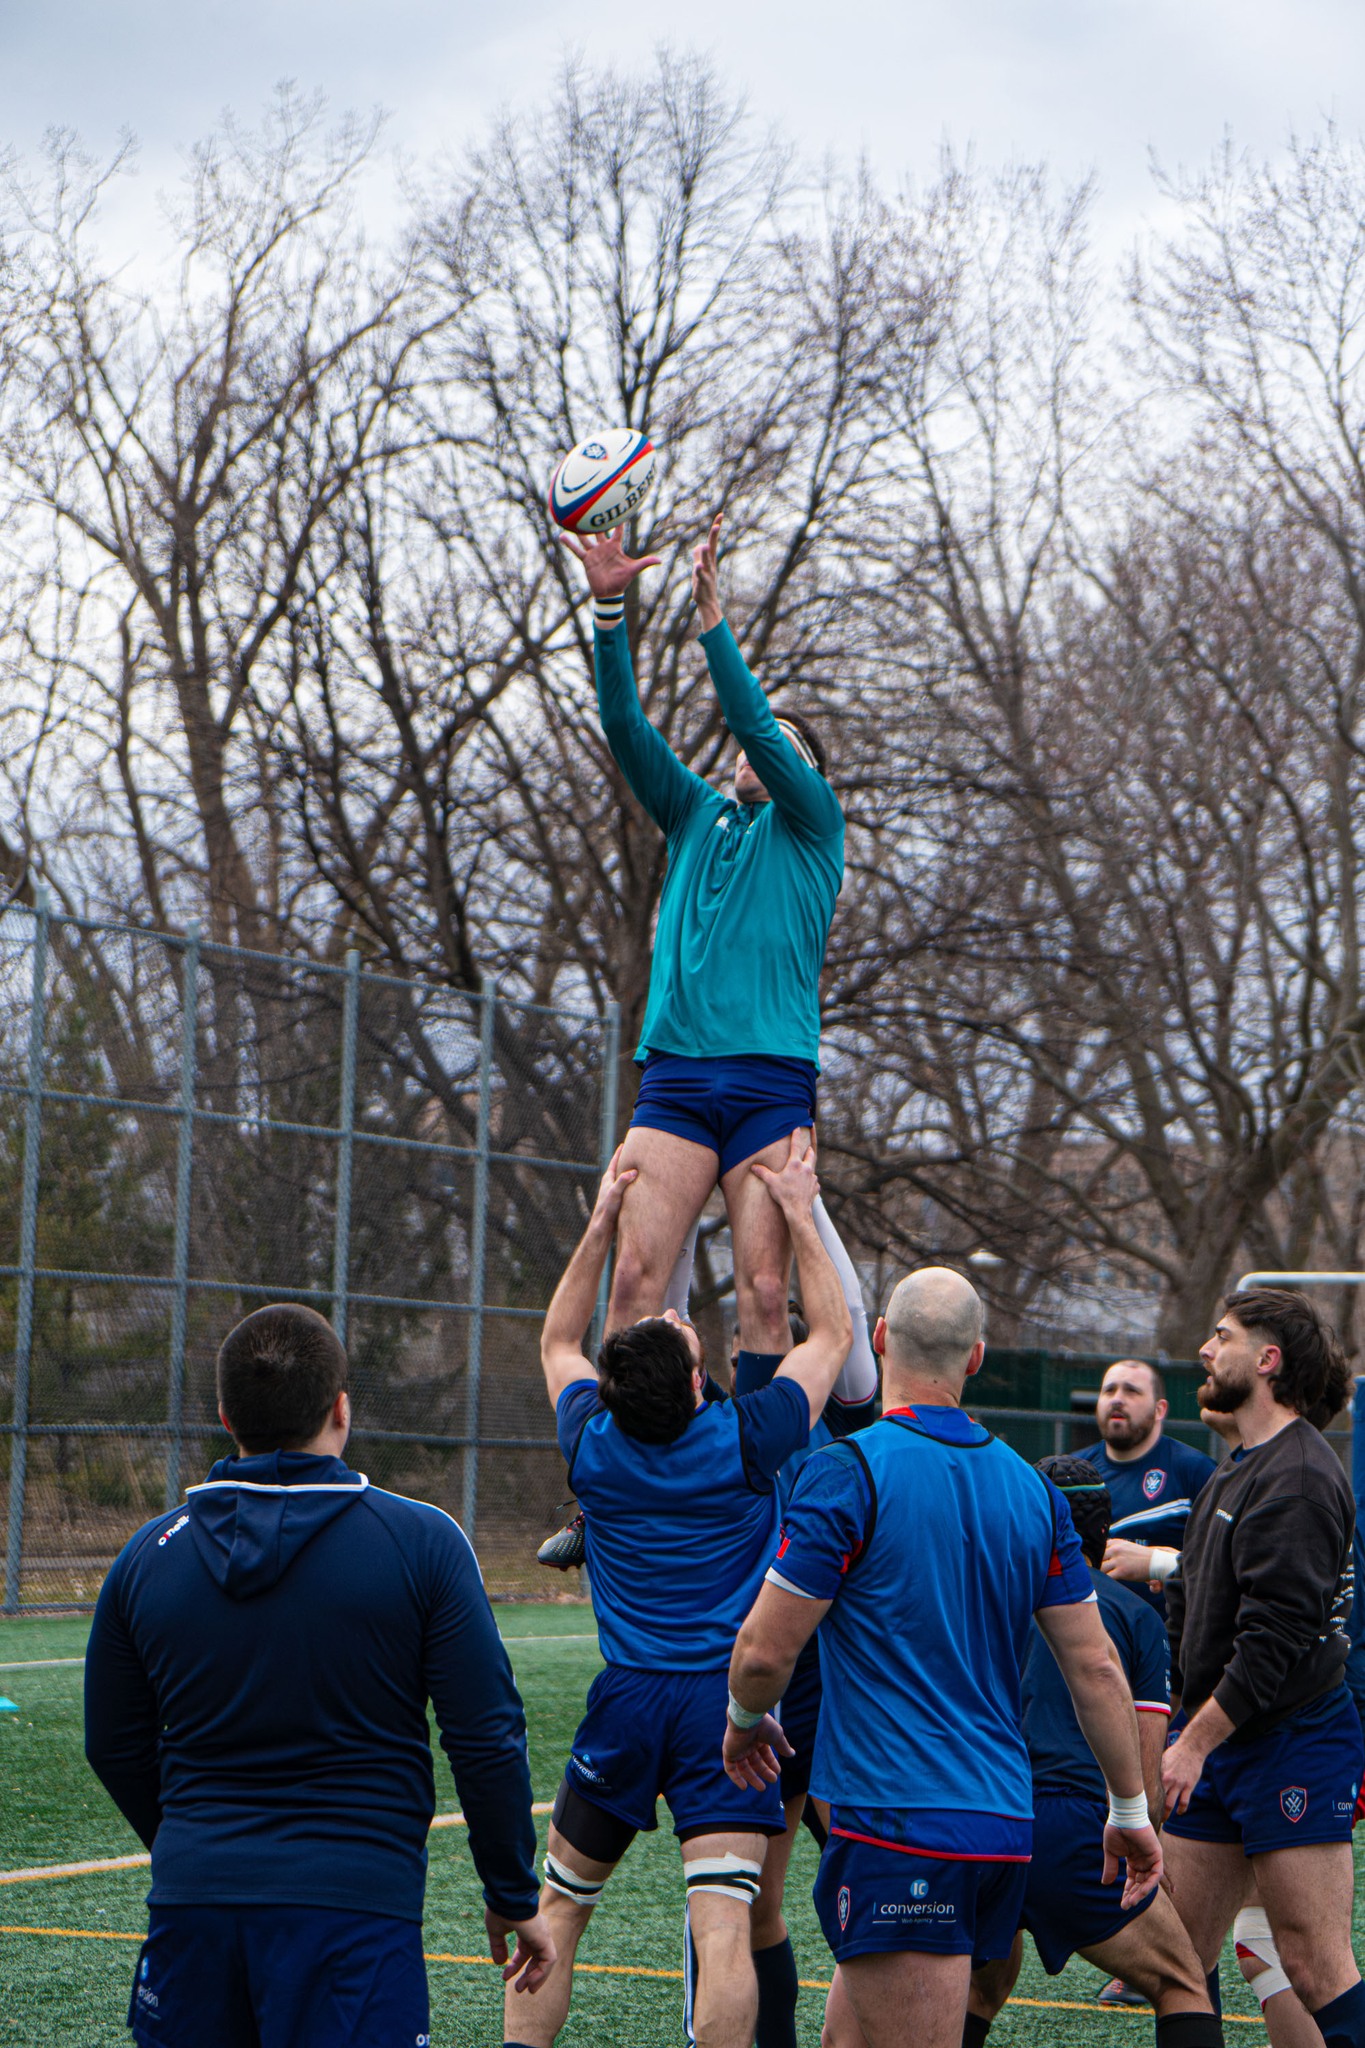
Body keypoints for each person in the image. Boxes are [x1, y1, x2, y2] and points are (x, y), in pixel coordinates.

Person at [723, 1267, 1194, 2048]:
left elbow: (764, 1650)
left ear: (879, 1341)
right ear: (976, 1357)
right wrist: (1127, 1811)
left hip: (901, 1825)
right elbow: (1096, 1669)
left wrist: (744, 1719)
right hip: (1000, 1827)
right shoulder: (1031, 1490)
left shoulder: (845, 1471)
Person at [84, 1303, 552, 2048]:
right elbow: (486, 1736)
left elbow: (112, 1743)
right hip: (354, 1915)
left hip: (192, 1913)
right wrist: (511, 1891)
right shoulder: (423, 1542)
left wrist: (194, 1847)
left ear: (225, 1416)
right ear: (341, 1408)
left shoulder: (145, 1556)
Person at [505, 1132, 852, 2048]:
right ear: (700, 1383)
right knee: (723, 1928)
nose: (676, 1314)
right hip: (720, 1709)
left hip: (625, 1700)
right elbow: (835, 1336)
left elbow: (556, 1338)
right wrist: (797, 1212)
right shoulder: (747, 1438)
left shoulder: (590, 1442)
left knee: (558, 1912)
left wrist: (601, 1224)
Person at [560, 514, 844, 1363]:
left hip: (769, 1081)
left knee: (763, 1294)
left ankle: (762, 1453)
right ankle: (619, 1448)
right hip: (677, 1077)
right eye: (758, 743)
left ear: (805, 773)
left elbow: (754, 722)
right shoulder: (695, 813)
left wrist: (713, 619)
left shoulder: (812, 826)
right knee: (634, 1283)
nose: (757, 748)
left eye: (783, 744)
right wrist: (608, 613)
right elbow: (624, 725)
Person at [1159, 1288, 1365, 2048]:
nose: (1205, 1350)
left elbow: (1272, 1643)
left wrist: (1191, 1742)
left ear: (1268, 1359)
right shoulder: (1236, 1469)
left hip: (1292, 1743)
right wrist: (1179, 1725)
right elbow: (1192, 1609)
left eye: (1223, 1336)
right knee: (1176, 1963)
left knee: (1311, 1964)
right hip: (1221, 1742)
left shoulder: (1300, 1476)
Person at [963, 1456, 1221, 2048]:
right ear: (1104, 1533)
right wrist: (1146, 1845)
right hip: (1072, 1825)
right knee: (1182, 1981)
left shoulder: (985, 1602)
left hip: (982, 1818)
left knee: (983, 1986)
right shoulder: (1133, 1614)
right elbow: (1147, 1779)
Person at [1082, 1358, 1216, 1615]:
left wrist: (1160, 1563)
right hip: (1091, 1630)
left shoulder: (1195, 1471)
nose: (1117, 1399)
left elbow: (1220, 1565)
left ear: (1159, 1409)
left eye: (1131, 1391)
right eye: (1109, 1390)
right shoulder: (1074, 1473)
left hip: (1167, 1633)